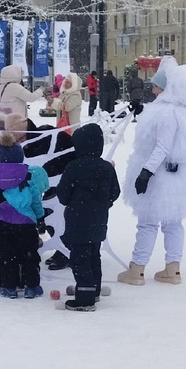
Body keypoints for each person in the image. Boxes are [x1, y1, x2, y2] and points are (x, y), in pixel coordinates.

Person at [116, 60, 186, 286]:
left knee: (148, 223)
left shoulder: (167, 113)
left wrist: (146, 172)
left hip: (160, 176)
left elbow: (162, 147)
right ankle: (173, 269)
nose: (153, 89)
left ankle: (137, 269)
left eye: (157, 86)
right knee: (173, 223)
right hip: (177, 178)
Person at [55, 123, 121, 310]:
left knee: (79, 258)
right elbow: (115, 192)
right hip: (99, 221)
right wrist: (104, 203)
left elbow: (63, 195)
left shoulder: (74, 167)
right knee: (93, 256)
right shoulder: (107, 168)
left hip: (77, 221)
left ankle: (85, 298)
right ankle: (94, 290)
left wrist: (74, 202)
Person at [0, 134, 46, 297]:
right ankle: (31, 286)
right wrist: (40, 217)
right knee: (29, 255)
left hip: (4, 223)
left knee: (7, 256)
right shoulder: (28, 175)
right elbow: (35, 201)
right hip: (26, 223)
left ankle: (8, 287)